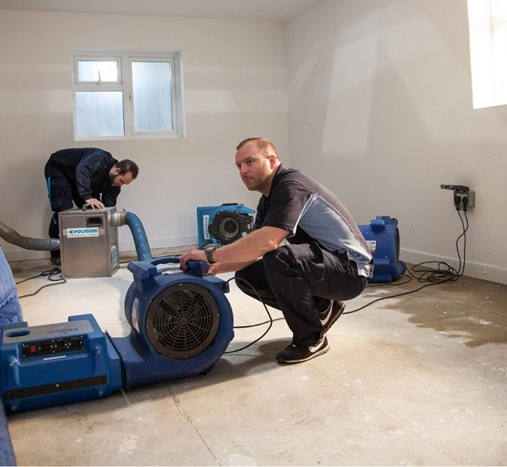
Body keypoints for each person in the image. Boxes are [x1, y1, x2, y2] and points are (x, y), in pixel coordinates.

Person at [180, 137, 373, 365]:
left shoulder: (291, 186)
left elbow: (268, 242)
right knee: (247, 276)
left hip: (351, 271)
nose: (243, 171)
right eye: (239, 165)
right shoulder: (268, 199)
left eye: (250, 162)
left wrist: (209, 254)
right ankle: (322, 307)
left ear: (272, 161)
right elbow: (254, 249)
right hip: (328, 264)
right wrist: (216, 267)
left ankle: (311, 339)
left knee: (280, 259)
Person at [44, 147, 139, 265]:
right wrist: (87, 197)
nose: (121, 185)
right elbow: (82, 170)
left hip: (78, 179)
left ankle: (90, 251)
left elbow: (106, 209)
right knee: (62, 210)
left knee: (93, 212)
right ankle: (56, 253)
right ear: (116, 171)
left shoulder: (114, 185)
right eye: (122, 181)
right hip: (59, 170)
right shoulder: (101, 158)